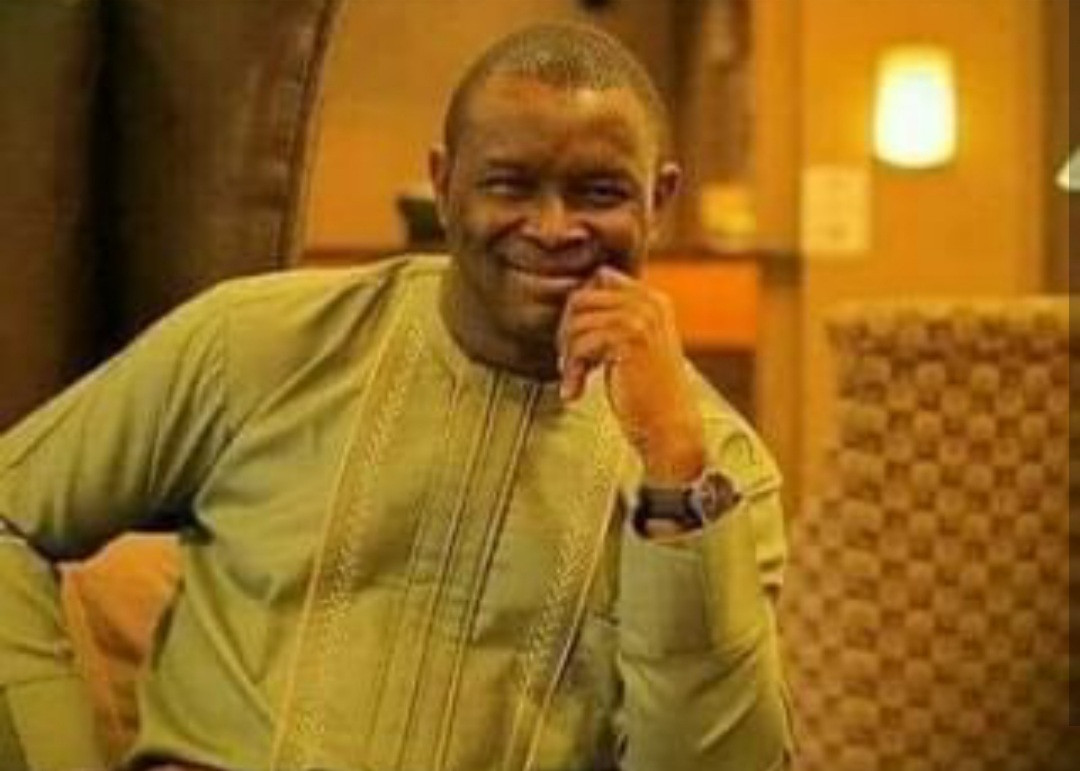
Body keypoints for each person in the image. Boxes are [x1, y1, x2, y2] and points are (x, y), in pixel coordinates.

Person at [0, 22, 793, 771]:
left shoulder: (720, 470)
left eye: (598, 192)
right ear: (444, 185)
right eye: (510, 185)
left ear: (659, 198)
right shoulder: (261, 342)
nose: (554, 228)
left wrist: (674, 478)